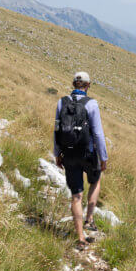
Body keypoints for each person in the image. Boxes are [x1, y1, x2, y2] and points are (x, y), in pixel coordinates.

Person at [54, 70, 107, 247]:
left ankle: (80, 238)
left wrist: (57, 154)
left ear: (73, 85)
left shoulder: (62, 102)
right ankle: (89, 219)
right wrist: (103, 158)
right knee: (95, 180)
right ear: (88, 86)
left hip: (68, 154)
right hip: (88, 153)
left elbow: (57, 130)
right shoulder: (91, 104)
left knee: (76, 196)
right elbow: (98, 133)